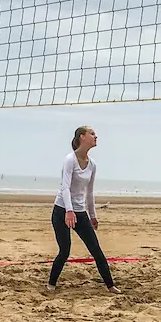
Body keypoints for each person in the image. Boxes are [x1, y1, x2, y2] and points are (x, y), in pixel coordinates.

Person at [48, 126, 119, 294]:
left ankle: (110, 286)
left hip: (80, 212)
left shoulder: (92, 164)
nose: (96, 136)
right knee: (65, 251)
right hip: (62, 210)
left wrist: (92, 215)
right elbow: (65, 187)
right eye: (92, 134)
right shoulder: (70, 160)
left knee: (96, 250)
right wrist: (69, 211)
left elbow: (90, 192)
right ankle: (51, 284)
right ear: (82, 137)